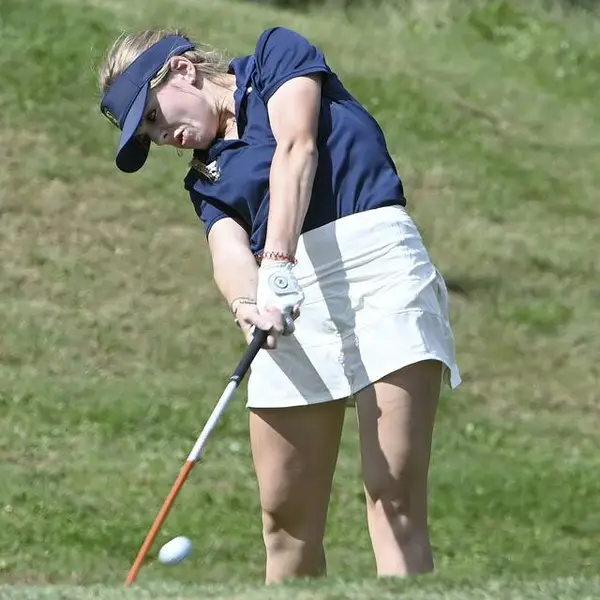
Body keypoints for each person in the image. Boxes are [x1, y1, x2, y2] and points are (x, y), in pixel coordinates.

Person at [98, 26, 461, 584]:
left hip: (377, 267)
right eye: (148, 135)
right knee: (286, 523)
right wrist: (247, 303)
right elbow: (227, 250)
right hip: (285, 303)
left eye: (152, 116)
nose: (162, 136)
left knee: (393, 494)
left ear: (183, 70)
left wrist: (278, 260)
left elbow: (297, 147)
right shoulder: (205, 179)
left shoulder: (275, 56)